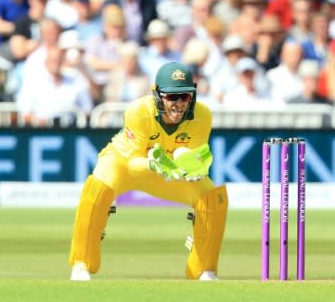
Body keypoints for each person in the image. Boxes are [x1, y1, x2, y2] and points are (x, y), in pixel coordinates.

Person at [68, 61, 228, 281]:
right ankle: (81, 264)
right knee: (97, 189)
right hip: (124, 165)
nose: (178, 104)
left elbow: (199, 156)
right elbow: (133, 161)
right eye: (172, 97)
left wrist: (194, 167)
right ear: (157, 95)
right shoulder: (138, 111)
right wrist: (152, 164)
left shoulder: (202, 115)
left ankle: (204, 270)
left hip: (168, 171)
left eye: (184, 96)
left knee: (212, 196)